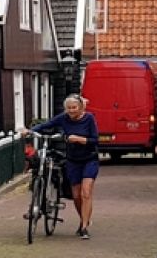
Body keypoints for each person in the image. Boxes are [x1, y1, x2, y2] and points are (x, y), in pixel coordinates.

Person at [20, 94, 100, 238]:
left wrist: (79, 139)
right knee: (76, 195)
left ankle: (84, 227)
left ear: (80, 107)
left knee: (86, 192)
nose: (71, 111)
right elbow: (47, 125)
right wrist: (30, 131)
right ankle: (84, 218)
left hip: (89, 159)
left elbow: (95, 140)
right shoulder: (63, 118)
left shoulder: (89, 119)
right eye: (68, 108)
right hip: (72, 160)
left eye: (74, 107)